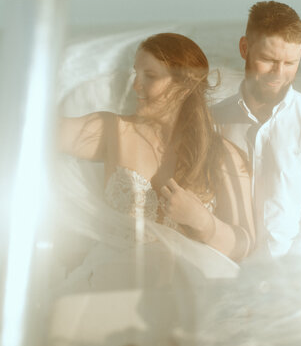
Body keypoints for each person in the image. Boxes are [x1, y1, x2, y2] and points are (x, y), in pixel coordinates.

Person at [58, 31, 255, 264]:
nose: (135, 85)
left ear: (184, 86)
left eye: (149, 76)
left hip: (184, 287)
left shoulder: (221, 155)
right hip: (116, 275)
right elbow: (38, 132)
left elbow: (245, 245)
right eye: (135, 73)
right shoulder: (113, 131)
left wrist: (203, 222)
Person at [212, 1, 301, 257]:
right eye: (268, 60)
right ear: (244, 48)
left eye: (291, 63)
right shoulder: (211, 121)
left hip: (296, 282)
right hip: (226, 274)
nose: (278, 74)